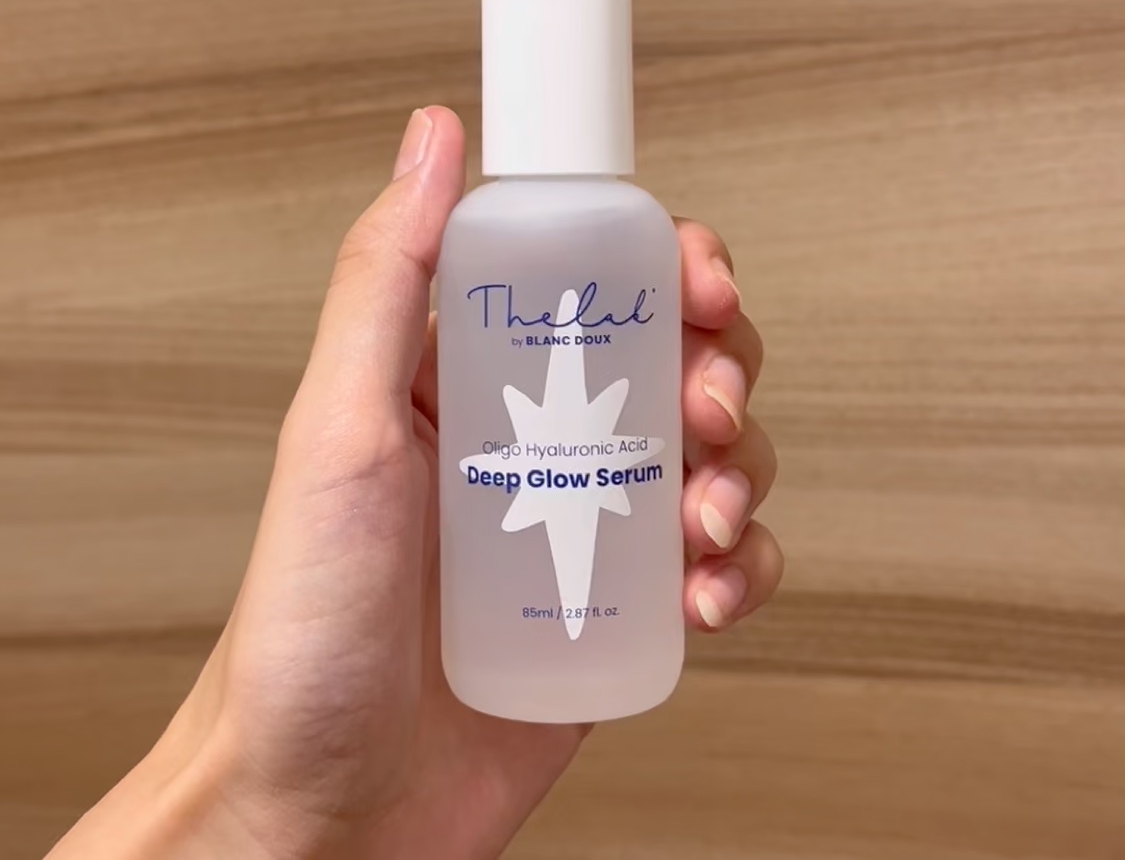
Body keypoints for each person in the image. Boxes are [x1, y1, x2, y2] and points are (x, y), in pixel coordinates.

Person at [48, 107, 782, 859]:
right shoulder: (488, 229)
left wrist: (251, 816)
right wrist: (258, 807)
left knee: (681, 415)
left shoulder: (635, 227)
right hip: (422, 700)